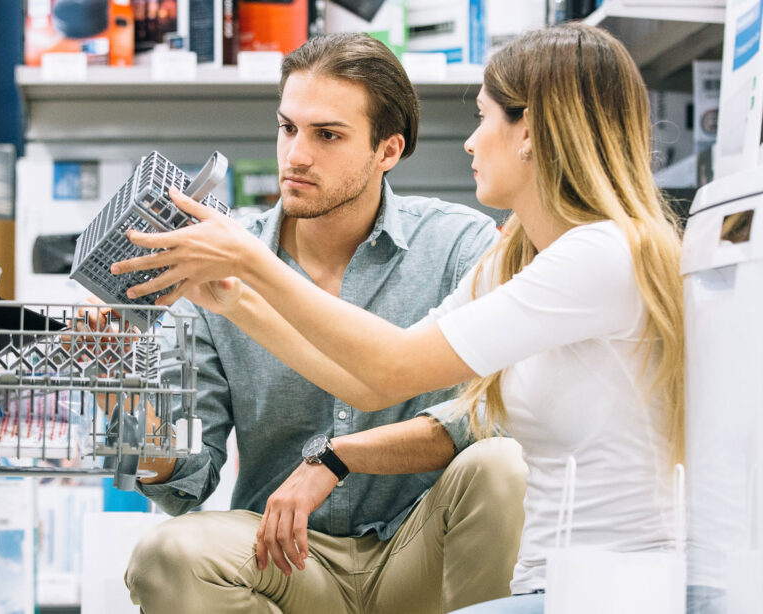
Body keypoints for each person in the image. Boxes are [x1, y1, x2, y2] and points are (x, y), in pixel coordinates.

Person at [115, 23, 685, 613]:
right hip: (287, 558)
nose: (296, 155)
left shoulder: (576, 255)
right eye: (287, 128)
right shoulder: (516, 256)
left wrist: (255, 267)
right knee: (169, 553)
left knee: (499, 464)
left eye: (483, 118)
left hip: (471, 562)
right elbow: (366, 380)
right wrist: (229, 306)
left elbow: (406, 374)